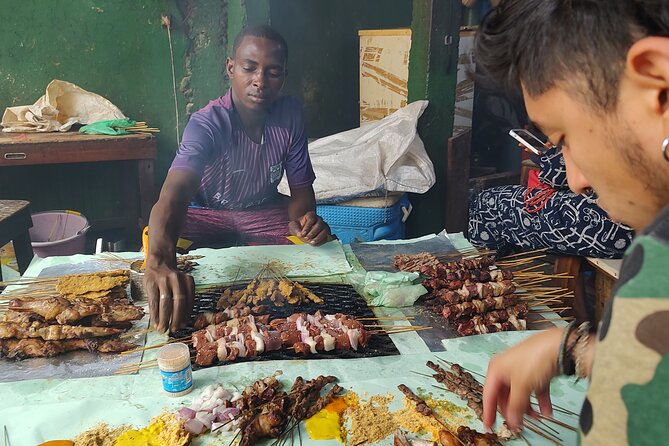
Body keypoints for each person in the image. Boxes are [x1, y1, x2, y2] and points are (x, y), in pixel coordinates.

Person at [475, 1, 669, 444]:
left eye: (564, 139)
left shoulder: (659, 261)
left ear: (658, 82)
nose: (577, 180)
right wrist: (577, 348)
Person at [144, 25, 331, 332]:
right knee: (157, 242)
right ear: (230, 67)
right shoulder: (207, 123)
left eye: (273, 72)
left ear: (284, 76)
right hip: (205, 215)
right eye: (249, 68)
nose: (259, 81)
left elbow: (300, 190)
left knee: (320, 250)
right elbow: (174, 193)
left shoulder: (291, 115)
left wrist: (305, 221)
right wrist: (158, 262)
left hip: (261, 213)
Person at [469, 144, 635, 258]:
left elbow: (555, 176)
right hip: (637, 228)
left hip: (604, 224)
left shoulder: (597, 119)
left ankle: (484, 276)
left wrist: (549, 154)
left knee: (486, 203)